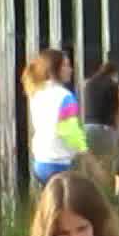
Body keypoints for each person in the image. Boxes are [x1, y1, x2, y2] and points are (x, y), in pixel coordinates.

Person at [23, 49, 87, 184]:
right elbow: (69, 129)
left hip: (41, 161)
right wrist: (84, 151)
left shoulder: (36, 93)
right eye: (66, 65)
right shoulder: (65, 96)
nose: (70, 69)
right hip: (59, 162)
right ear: (54, 69)